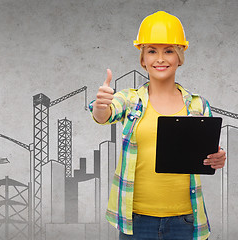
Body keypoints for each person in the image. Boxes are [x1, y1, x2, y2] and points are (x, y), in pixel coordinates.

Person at [89, 11, 226, 240]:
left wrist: (218, 157)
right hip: (137, 220)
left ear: (179, 57)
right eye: (152, 51)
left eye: (169, 51)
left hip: (185, 220)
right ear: (143, 59)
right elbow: (105, 114)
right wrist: (101, 106)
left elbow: (209, 152)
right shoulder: (130, 100)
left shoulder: (198, 106)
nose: (160, 58)